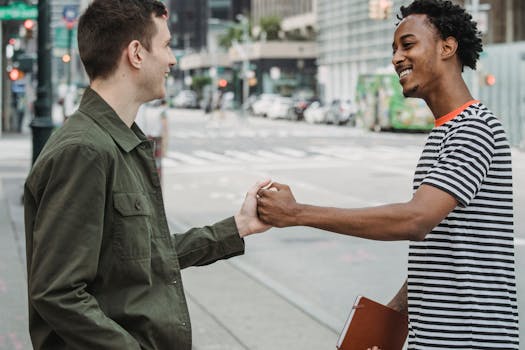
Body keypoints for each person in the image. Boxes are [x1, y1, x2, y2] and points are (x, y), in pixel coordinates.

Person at [257, 0, 520, 348]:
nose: (396, 58)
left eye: (407, 45)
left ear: (448, 46)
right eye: (394, 49)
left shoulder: (474, 128)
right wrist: (393, 314)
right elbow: (444, 246)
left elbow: (416, 220)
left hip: (471, 341)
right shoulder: (445, 132)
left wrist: (298, 213)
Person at [23, 1, 272, 349]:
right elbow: (57, 292)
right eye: (167, 45)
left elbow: (141, 258)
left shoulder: (121, 142)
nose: (172, 60)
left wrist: (238, 226)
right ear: (136, 53)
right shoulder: (86, 151)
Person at [135, 99, 169, 179]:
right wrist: (165, 148)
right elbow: (165, 130)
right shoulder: (162, 111)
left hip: (146, 140)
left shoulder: (144, 109)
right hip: (156, 141)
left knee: (146, 168)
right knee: (156, 168)